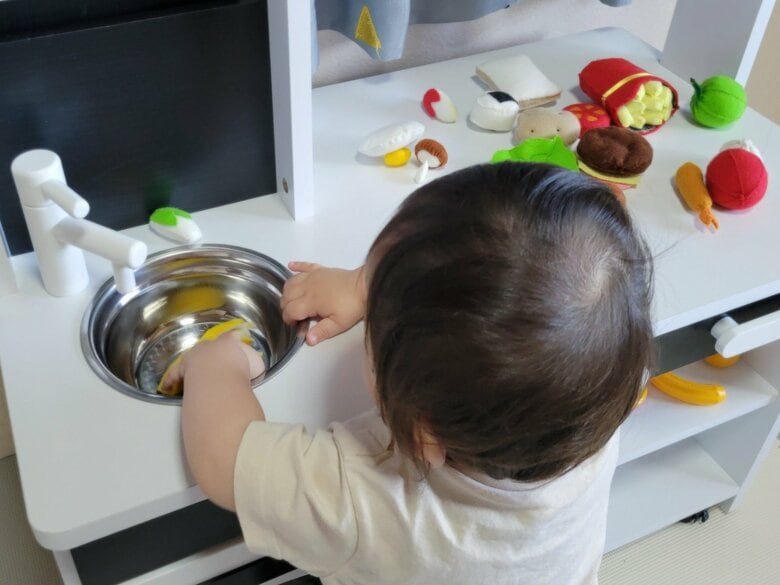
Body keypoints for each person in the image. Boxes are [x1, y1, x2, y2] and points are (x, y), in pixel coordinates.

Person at [161, 162, 655, 584]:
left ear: (420, 437)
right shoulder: (597, 400)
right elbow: (507, 278)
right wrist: (368, 284)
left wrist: (215, 364)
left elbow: (224, 463)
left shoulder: (368, 502)